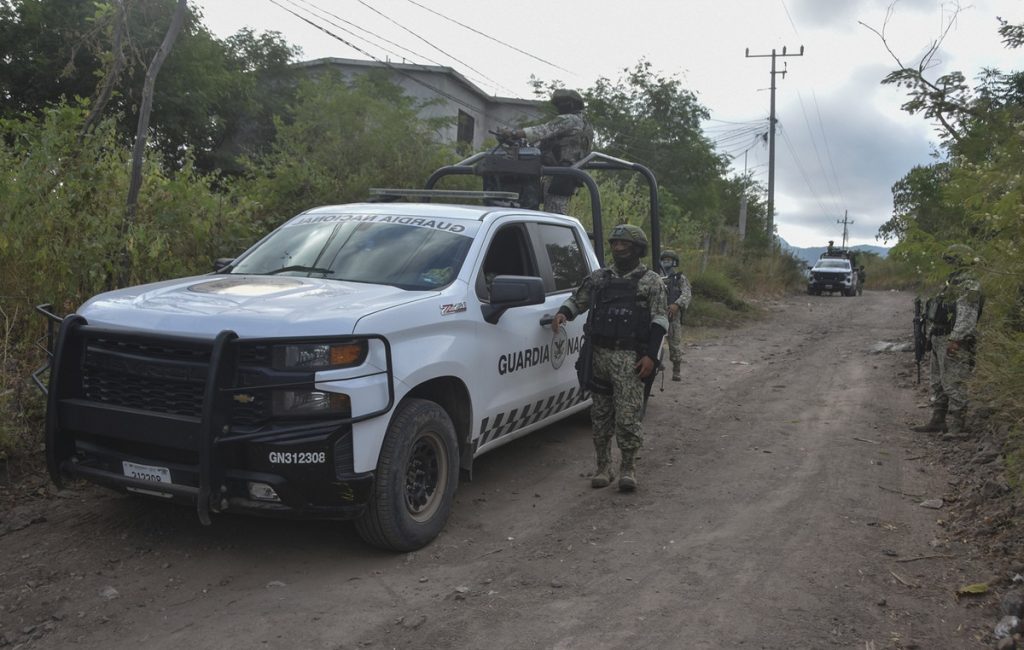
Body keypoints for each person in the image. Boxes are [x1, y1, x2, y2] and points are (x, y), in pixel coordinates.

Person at [551, 224, 668, 491]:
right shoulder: (599, 278)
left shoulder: (651, 282)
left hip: (630, 360)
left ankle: (628, 468)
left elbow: (660, 321)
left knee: (627, 418)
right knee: (600, 417)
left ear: (637, 249)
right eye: (615, 244)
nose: (618, 248)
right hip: (599, 357)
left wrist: (651, 355)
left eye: (624, 245)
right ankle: (604, 467)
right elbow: (577, 300)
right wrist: (563, 314)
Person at [912, 244, 984, 437]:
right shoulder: (951, 282)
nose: (948, 265)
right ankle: (938, 420)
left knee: (953, 382)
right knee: (938, 381)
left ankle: (958, 425)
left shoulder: (969, 284)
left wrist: (957, 339)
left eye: (951, 261)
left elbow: (967, 316)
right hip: (939, 337)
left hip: (953, 339)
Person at [499, 89, 594, 214]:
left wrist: (514, 134)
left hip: (560, 173)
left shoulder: (570, 119)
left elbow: (543, 130)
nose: (559, 107)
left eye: (562, 103)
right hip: (565, 173)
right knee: (552, 212)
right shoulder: (585, 125)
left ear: (571, 104)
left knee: (554, 216)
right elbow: (547, 141)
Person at [658, 249, 692, 381]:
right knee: (654, 342)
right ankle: (657, 363)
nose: (666, 262)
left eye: (669, 260)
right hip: (657, 314)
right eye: (664, 259)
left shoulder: (680, 278)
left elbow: (686, 294)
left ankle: (676, 369)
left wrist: (677, 305)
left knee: (674, 345)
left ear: (674, 262)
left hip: (673, 317)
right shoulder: (655, 276)